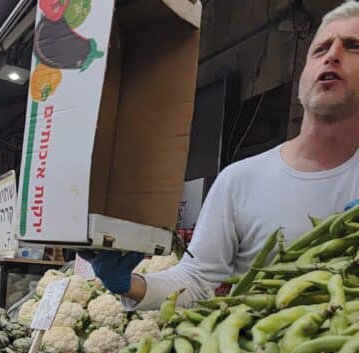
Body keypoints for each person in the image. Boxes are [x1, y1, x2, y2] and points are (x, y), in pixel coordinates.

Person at [84, 0, 359, 310]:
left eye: (353, 47)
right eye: (320, 50)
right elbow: (198, 282)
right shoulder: (239, 180)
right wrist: (130, 284)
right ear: (304, 74)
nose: (333, 55)